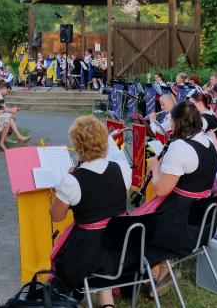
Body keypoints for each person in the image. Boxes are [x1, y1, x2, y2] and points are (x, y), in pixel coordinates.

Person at [132, 101, 217, 294]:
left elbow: (161, 190)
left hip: (180, 222)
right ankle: (163, 267)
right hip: (202, 220)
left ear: (178, 122)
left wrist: (155, 170)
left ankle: (156, 274)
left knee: (136, 227)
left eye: (171, 120)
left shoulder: (180, 147)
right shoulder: (209, 142)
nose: (169, 123)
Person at [49, 115, 131, 301]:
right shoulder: (121, 169)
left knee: (66, 253)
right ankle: (106, 301)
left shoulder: (72, 181)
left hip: (86, 255)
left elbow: (56, 216)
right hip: (120, 248)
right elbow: (120, 200)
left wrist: (62, 188)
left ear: (78, 146)